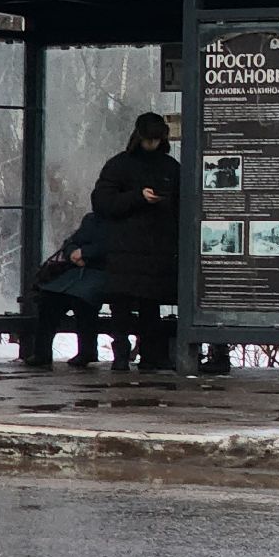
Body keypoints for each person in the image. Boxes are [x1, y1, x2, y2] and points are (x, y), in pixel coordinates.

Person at [91, 113, 180, 371]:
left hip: (152, 250)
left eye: (155, 140)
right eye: (148, 140)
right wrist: (138, 198)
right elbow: (102, 203)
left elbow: (183, 205)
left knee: (148, 307)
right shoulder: (120, 166)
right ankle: (123, 354)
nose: (151, 144)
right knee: (123, 307)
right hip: (128, 250)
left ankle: (148, 356)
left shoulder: (170, 167)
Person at [22, 211, 114, 368]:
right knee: (48, 297)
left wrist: (85, 253)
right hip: (77, 273)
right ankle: (41, 352)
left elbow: (113, 246)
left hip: (104, 273)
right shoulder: (91, 219)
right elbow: (71, 241)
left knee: (83, 299)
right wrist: (72, 253)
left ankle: (87, 351)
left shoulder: (123, 222)